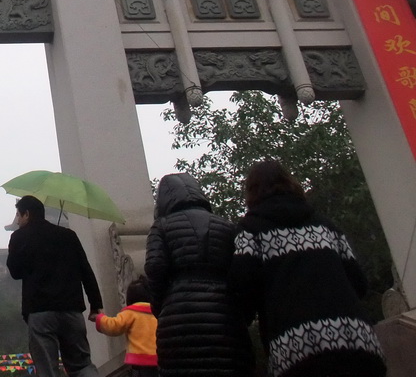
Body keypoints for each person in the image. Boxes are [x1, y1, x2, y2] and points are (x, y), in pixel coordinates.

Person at [229, 160, 386, 377]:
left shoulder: (250, 231)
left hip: (297, 348)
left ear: (252, 191)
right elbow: (359, 284)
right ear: (290, 183)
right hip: (358, 341)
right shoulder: (326, 226)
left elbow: (243, 289)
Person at [144, 173, 253, 377]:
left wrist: (162, 306)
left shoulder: (162, 227)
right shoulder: (227, 226)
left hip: (178, 317)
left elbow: (154, 267)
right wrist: (242, 313)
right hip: (225, 316)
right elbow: (242, 272)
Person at [6, 195, 103, 377]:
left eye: (19, 215)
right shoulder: (68, 235)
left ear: (27, 214)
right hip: (71, 311)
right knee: (82, 365)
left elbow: (15, 272)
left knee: (47, 370)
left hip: (40, 313)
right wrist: (95, 304)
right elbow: (85, 271)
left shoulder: (19, 237)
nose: (18, 221)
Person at [93, 276, 157, 377]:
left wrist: (100, 318)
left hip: (139, 361)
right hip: (159, 359)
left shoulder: (130, 313)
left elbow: (114, 326)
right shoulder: (156, 312)